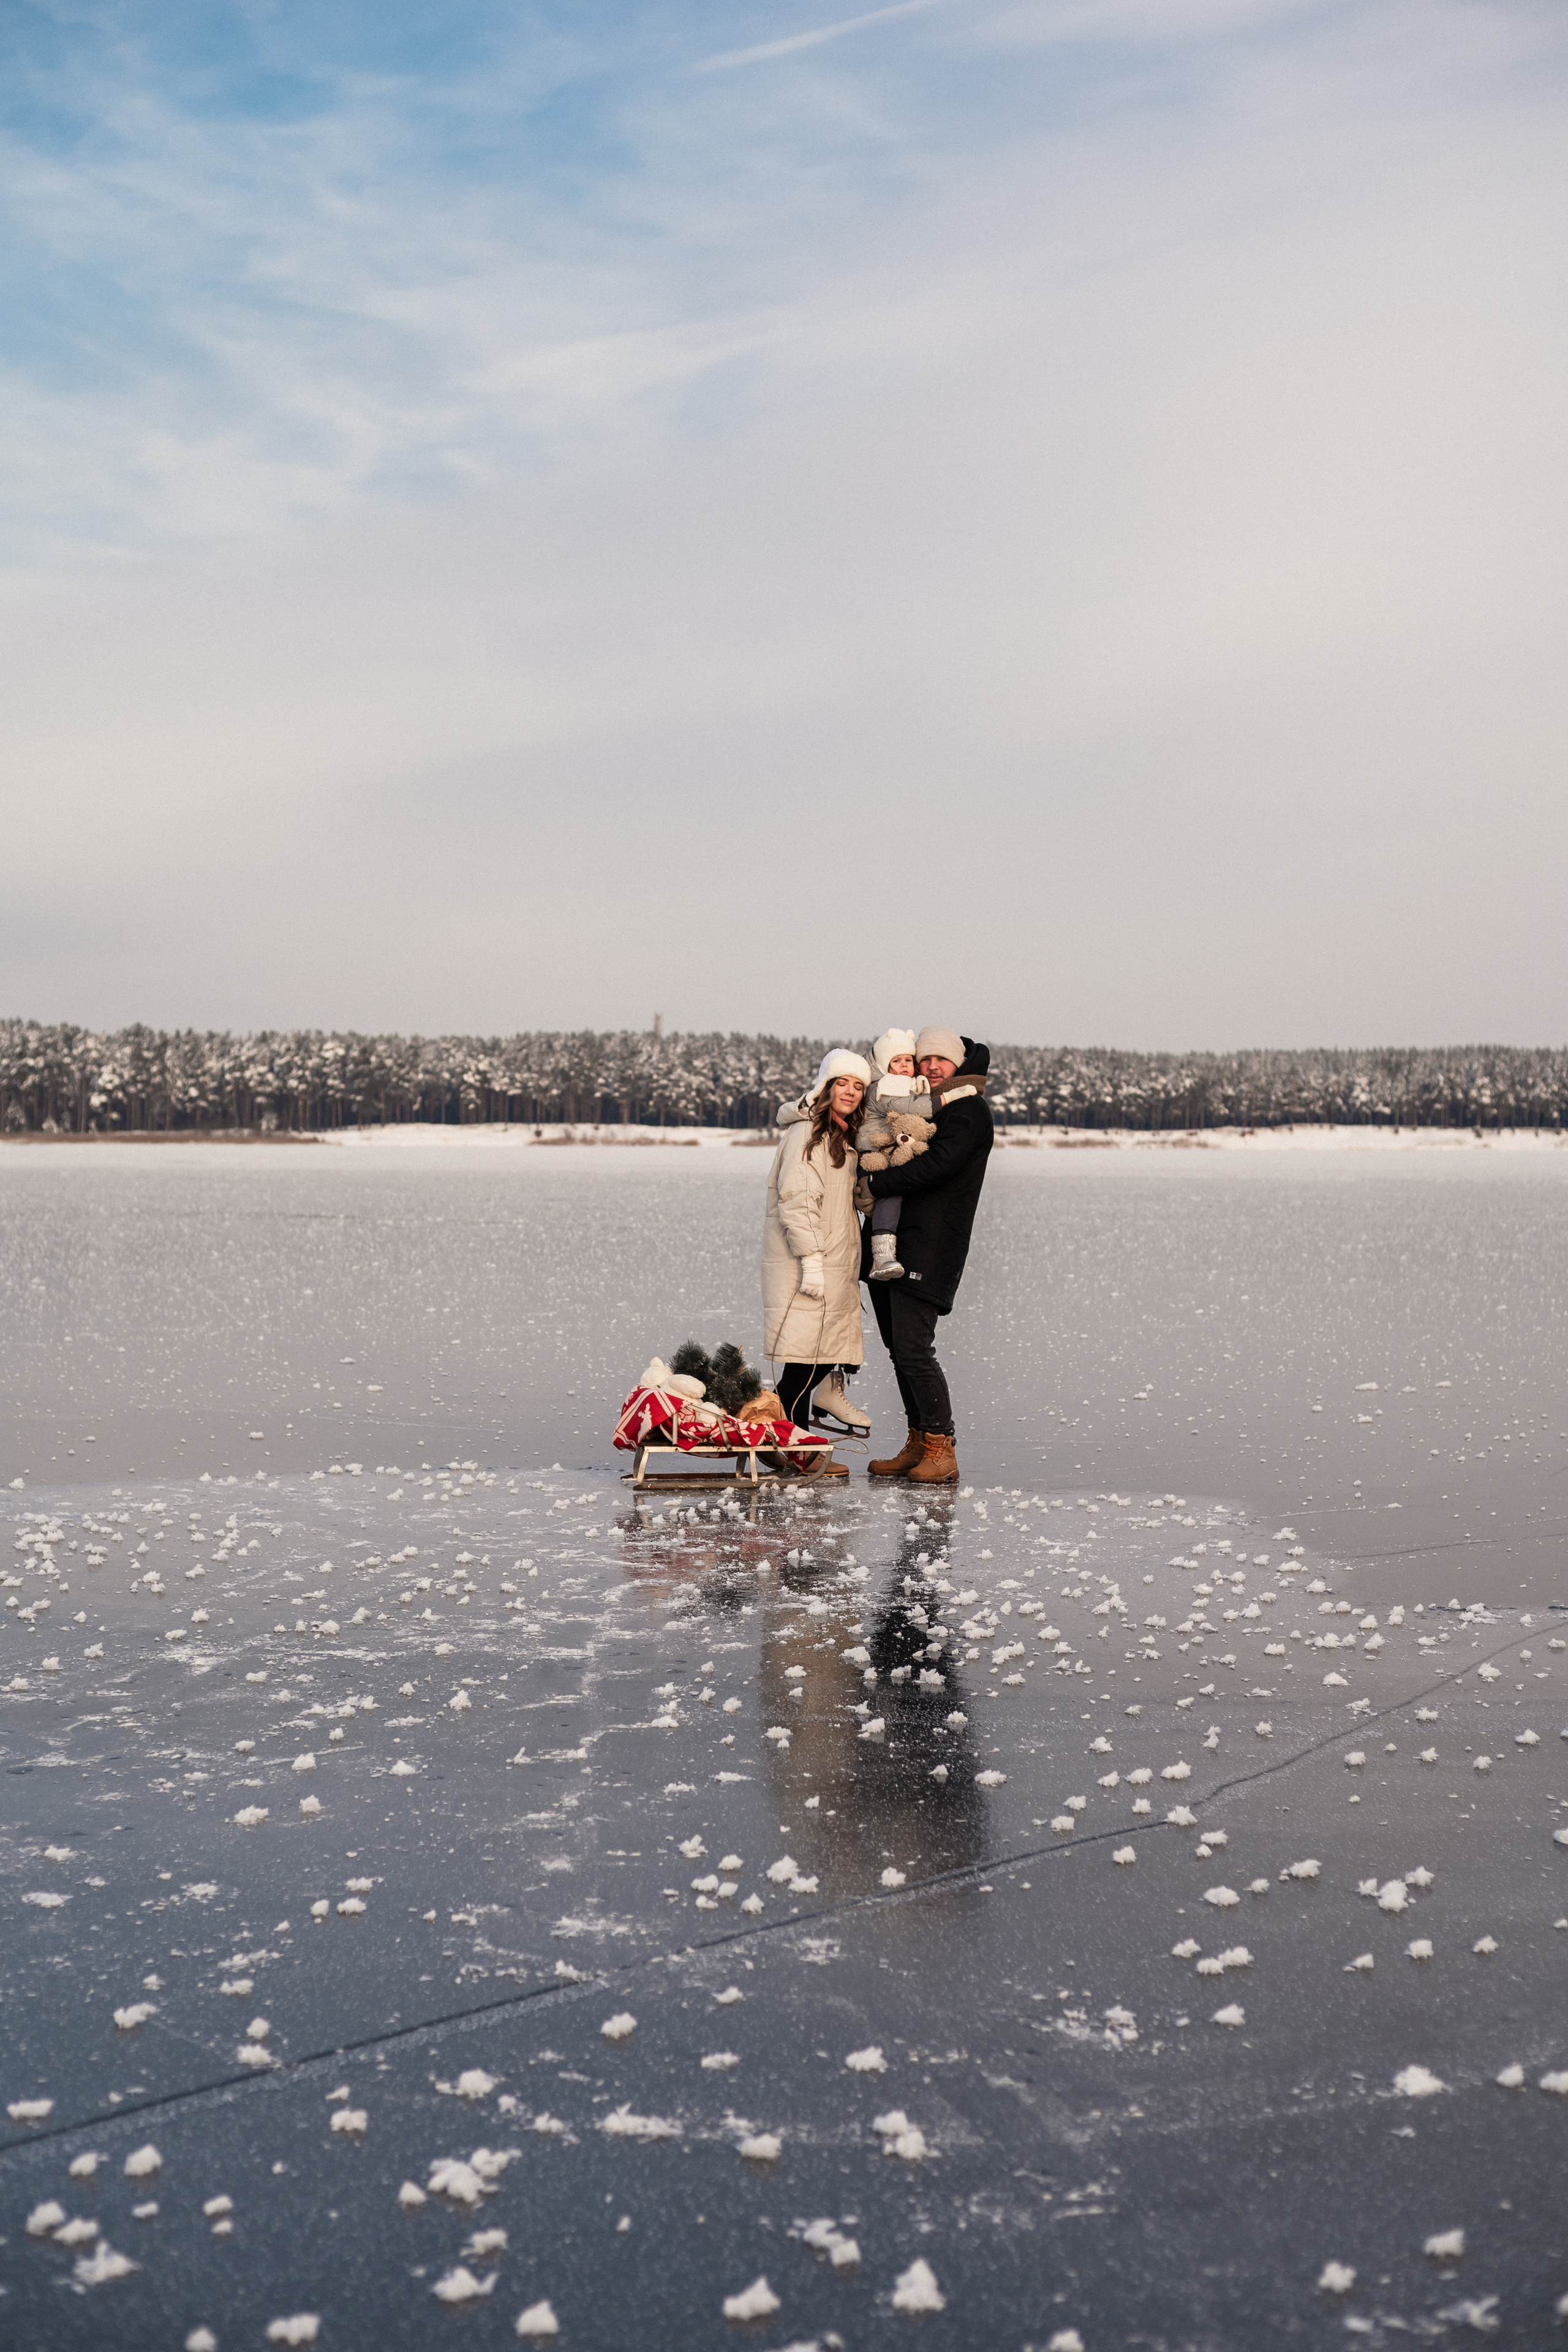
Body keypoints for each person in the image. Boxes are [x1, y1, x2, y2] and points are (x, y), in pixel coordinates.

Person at [861, 1026, 993, 1485]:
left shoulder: (969, 1110)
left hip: (931, 1245)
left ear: (959, 1065)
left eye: (942, 1061)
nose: (932, 1067)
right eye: (925, 1060)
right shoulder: (922, 1106)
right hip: (894, 1244)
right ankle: (919, 1440)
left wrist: (875, 1185)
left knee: (916, 1350)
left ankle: (942, 1448)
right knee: (900, 1351)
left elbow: (938, 1166)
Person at [763, 1049, 871, 1433]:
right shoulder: (809, 1133)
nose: (851, 1092)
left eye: (859, 1086)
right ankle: (788, 1441)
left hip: (834, 1262)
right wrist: (811, 1262)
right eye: (843, 1083)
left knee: (815, 1355)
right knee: (805, 1361)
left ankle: (793, 1438)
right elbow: (797, 1202)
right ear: (826, 1086)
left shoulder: (841, 1135)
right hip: (809, 1265)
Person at [855, 1028, 935, 1282]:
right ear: (884, 1065)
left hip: (886, 1151)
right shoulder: (886, 1086)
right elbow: (921, 1109)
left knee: (893, 1196)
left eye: (908, 1060)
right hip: (872, 1153)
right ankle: (882, 1257)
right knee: (889, 1193)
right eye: (896, 1061)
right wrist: (957, 1094)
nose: (903, 1066)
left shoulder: (905, 1085)